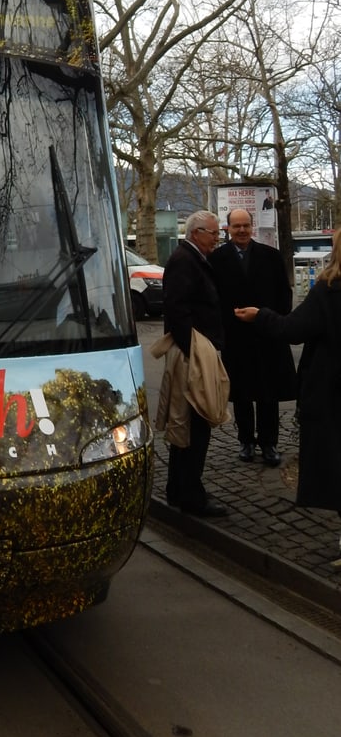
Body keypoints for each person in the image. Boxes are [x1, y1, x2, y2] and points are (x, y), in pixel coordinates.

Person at [235, 228, 341, 559]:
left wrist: (259, 316)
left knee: (335, 465)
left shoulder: (330, 288)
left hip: (332, 393)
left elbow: (292, 329)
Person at [156, 210, 230, 517]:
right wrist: (195, 352)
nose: (217, 238)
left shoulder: (189, 258)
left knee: (186, 426)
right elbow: (177, 310)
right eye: (213, 233)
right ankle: (191, 495)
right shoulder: (185, 261)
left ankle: (178, 490)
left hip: (196, 351)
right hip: (195, 356)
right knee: (196, 425)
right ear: (196, 233)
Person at [209, 208, 296, 467]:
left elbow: (285, 295)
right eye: (237, 226)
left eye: (246, 225)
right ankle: (246, 441)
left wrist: (270, 319)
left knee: (268, 394)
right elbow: (213, 299)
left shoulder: (271, 256)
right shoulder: (217, 259)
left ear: (253, 226)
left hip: (268, 336)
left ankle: (269, 443)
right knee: (242, 393)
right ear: (228, 229)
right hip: (236, 339)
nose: (242, 230)